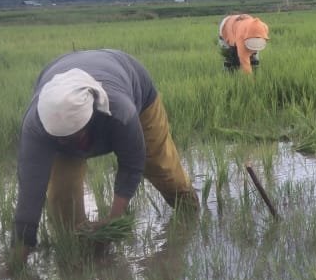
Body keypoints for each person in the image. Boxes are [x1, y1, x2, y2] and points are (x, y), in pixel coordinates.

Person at [10, 49, 199, 262]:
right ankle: (80, 253)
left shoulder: (122, 113)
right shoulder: (36, 126)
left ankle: (191, 213)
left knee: (161, 167)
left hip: (133, 86)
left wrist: (113, 219)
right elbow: (30, 192)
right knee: (62, 194)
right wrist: (18, 259)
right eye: (58, 138)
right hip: (65, 81)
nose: (63, 143)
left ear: (90, 118)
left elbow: (132, 163)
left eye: (72, 136)